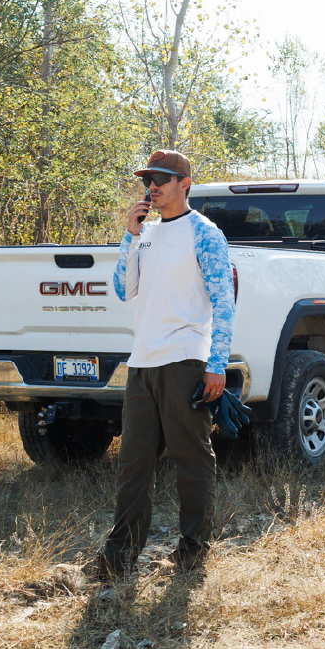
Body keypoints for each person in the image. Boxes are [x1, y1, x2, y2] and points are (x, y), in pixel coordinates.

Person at [91, 149, 235, 579]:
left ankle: (192, 552)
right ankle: (118, 559)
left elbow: (223, 301)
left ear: (184, 183)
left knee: (191, 460)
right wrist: (130, 236)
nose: (151, 187)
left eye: (161, 179)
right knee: (133, 462)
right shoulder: (146, 233)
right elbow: (123, 289)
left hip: (185, 359)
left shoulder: (205, 233)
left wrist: (217, 363)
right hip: (144, 363)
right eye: (147, 180)